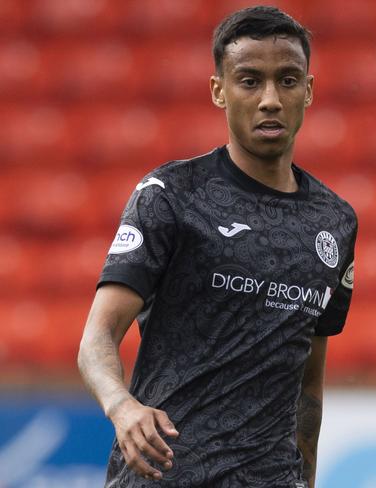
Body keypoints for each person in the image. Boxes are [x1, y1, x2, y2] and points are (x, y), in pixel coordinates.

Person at [77, 6, 357, 487]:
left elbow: (308, 383)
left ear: (307, 91)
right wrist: (121, 406)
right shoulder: (172, 195)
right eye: (250, 81)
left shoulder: (335, 222)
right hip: (165, 476)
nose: (270, 99)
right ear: (219, 91)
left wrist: (306, 477)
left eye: (287, 81)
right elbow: (96, 339)